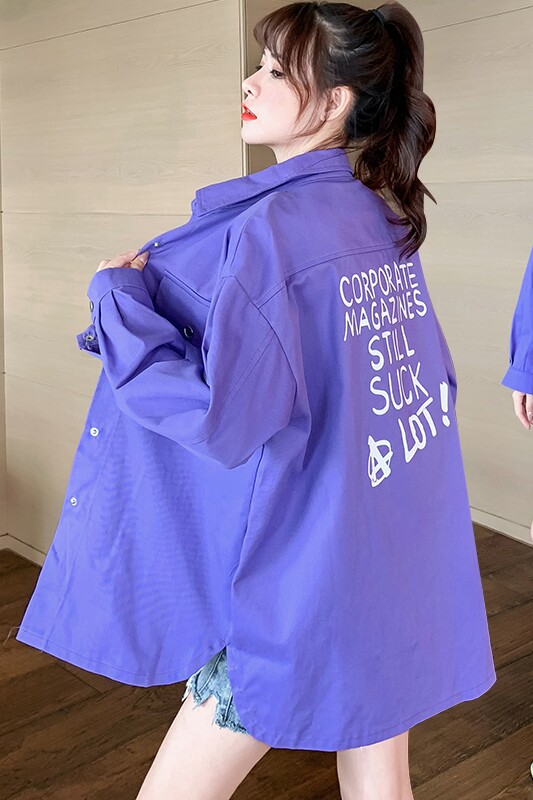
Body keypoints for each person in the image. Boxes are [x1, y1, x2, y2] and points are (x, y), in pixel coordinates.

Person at [12, 3, 496, 799]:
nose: (249, 82)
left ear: (335, 100)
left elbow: (222, 421)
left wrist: (116, 301)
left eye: (275, 70)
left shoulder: (273, 229)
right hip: (386, 552)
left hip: (304, 572)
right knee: (378, 782)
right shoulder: (381, 216)